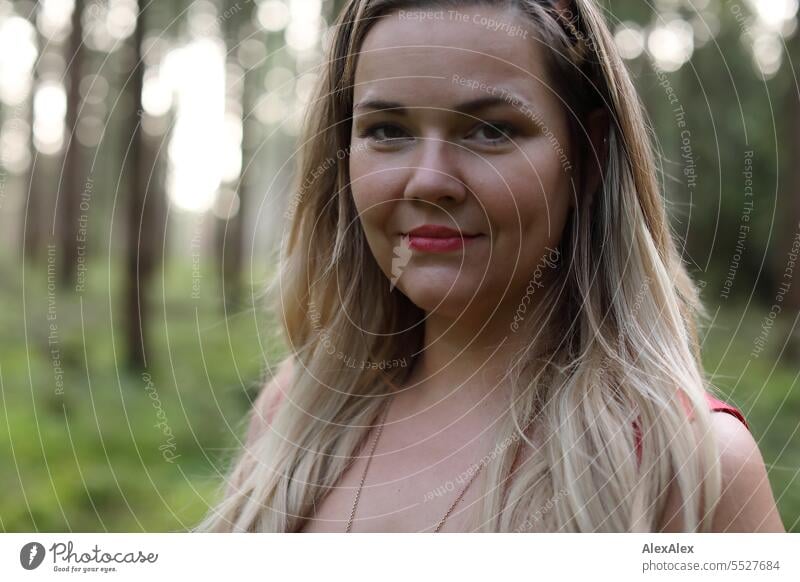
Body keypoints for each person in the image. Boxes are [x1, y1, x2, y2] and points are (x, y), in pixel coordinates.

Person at [198, 0, 785, 532]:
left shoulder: (688, 467)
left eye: (490, 130)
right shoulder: (293, 416)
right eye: (387, 130)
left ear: (588, 154)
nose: (428, 180)